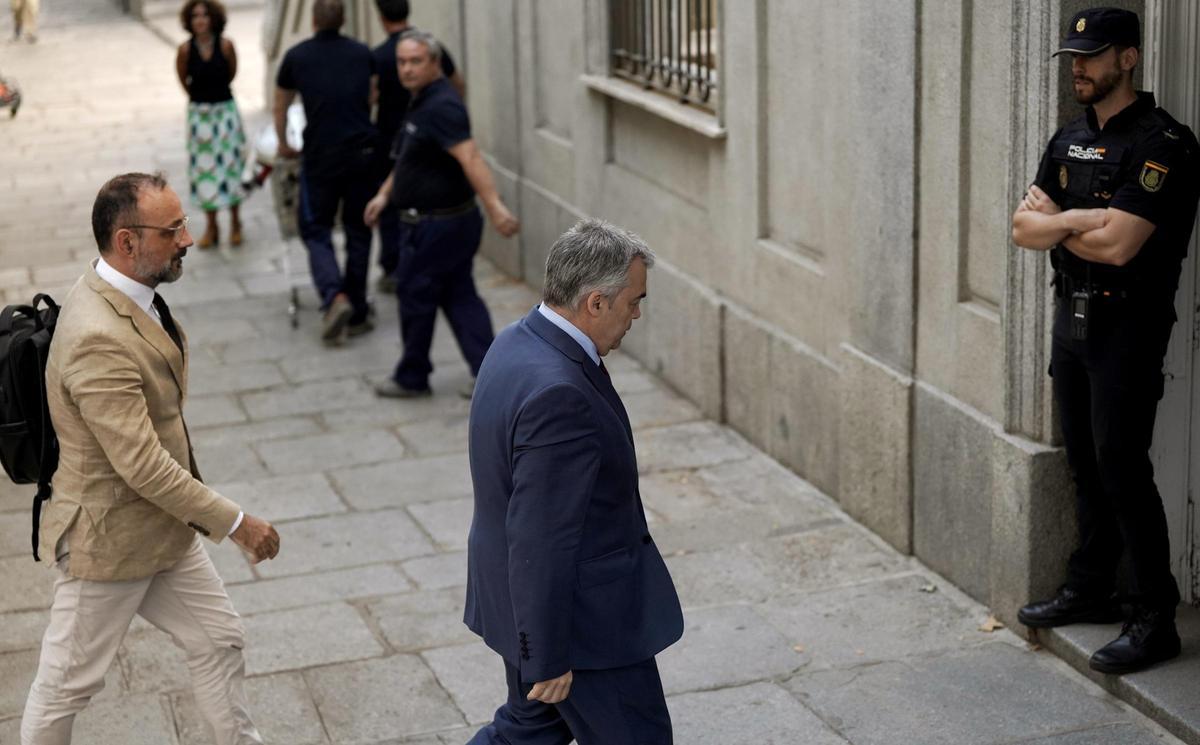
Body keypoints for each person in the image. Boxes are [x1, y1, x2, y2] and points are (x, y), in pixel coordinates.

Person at [20, 173, 280, 745]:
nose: (186, 238)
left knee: (217, 639)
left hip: (161, 527)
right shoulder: (96, 336)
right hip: (109, 541)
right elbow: (141, 465)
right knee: (65, 686)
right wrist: (237, 523)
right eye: (173, 229)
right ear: (127, 242)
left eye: (183, 224)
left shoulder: (130, 293)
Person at [1012, 7, 1200, 674]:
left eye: (1092, 56)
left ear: (1130, 58)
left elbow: (1121, 246)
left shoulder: (1164, 143)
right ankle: (1091, 586)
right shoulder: (1068, 138)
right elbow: (1020, 229)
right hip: (1074, 317)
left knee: (1122, 464)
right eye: (1072, 56)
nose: (1079, 67)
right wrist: (1081, 218)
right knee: (1084, 462)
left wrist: (1061, 221)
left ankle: (1155, 616)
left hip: (1129, 325)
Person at [464, 220, 683, 744]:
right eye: (633, 301)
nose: (636, 315)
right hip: (582, 628)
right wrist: (548, 655)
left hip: (522, 604)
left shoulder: (518, 341)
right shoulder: (559, 393)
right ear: (595, 304)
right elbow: (542, 535)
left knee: (526, 732)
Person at [365, 29, 518, 399]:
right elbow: (410, 158)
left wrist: (496, 206)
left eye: (416, 61)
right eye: (402, 62)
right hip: (442, 223)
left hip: (436, 226)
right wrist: (385, 194)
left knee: (416, 297)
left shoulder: (442, 106)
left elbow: (470, 157)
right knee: (459, 294)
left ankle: (412, 376)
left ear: (435, 64)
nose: (407, 69)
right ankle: (488, 372)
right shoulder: (421, 101)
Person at [275, 0, 378, 345]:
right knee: (358, 229)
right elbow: (373, 94)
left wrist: (283, 142)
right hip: (362, 153)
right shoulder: (363, 53)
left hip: (321, 155)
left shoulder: (297, 56)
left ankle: (334, 297)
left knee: (315, 226)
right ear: (344, 19)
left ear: (314, 20)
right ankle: (359, 311)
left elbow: (282, 103)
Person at [370, 0, 464, 293]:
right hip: (432, 140)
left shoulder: (378, 56)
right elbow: (457, 84)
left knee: (392, 204)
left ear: (382, 17)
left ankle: (393, 265)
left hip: (391, 138)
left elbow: (370, 97)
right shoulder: (432, 48)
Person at [175, 0, 245, 248]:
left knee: (231, 166)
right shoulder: (185, 50)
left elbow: (232, 74)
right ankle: (212, 225)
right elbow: (184, 81)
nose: (200, 20)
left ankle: (236, 222)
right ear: (189, 21)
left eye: (205, 15)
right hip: (200, 116)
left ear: (214, 18)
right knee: (205, 170)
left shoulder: (226, 46)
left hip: (225, 113)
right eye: (195, 16)